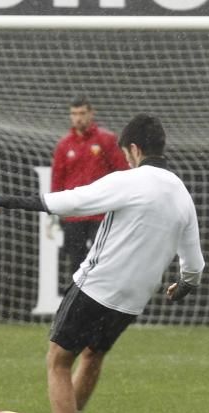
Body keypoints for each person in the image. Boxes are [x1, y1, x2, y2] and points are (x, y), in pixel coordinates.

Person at [0, 114, 205, 413]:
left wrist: (9, 201)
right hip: (133, 300)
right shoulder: (182, 195)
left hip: (97, 285)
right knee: (92, 355)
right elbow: (194, 265)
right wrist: (181, 287)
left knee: (58, 359)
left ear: (133, 149)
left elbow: (71, 202)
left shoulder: (130, 180)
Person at [51, 95, 129, 285]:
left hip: (101, 214)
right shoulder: (64, 145)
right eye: (74, 114)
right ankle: (77, 306)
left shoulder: (106, 140)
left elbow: (122, 171)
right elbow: (58, 179)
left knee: (104, 261)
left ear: (91, 114)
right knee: (76, 264)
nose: (78, 118)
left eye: (82, 113)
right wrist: (54, 211)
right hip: (73, 214)